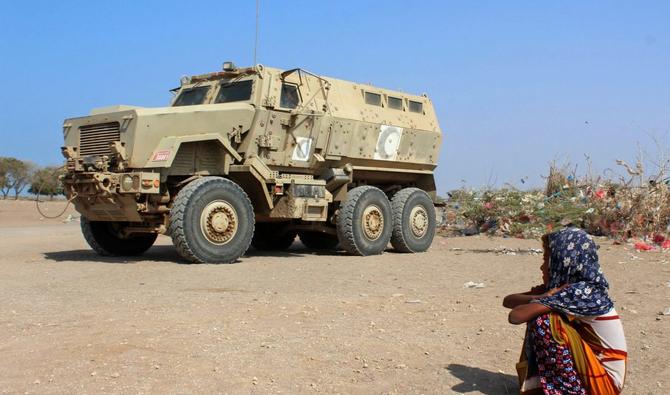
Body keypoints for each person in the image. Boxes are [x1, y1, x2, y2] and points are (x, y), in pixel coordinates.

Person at [503, 227, 627, 394]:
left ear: (562, 261)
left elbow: (516, 316)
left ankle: (567, 391)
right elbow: (508, 301)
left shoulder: (582, 291)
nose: (542, 267)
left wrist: (542, 299)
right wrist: (543, 295)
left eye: (546, 259)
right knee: (539, 311)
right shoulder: (563, 289)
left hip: (605, 384)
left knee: (545, 321)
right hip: (595, 373)